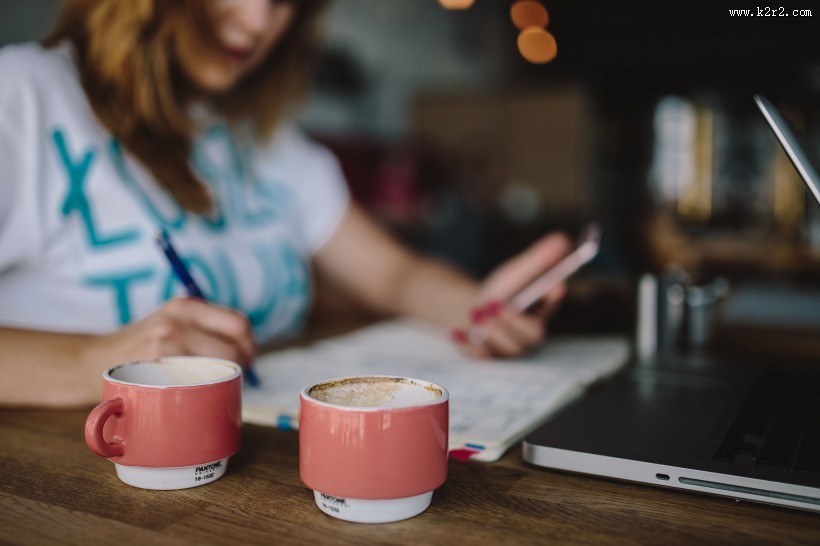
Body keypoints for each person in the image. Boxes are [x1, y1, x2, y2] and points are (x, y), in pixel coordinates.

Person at [0, 0, 572, 408]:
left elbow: (395, 275)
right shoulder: (23, 95)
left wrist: (480, 309)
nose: (258, 22)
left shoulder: (271, 145)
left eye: (286, 2)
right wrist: (94, 361)